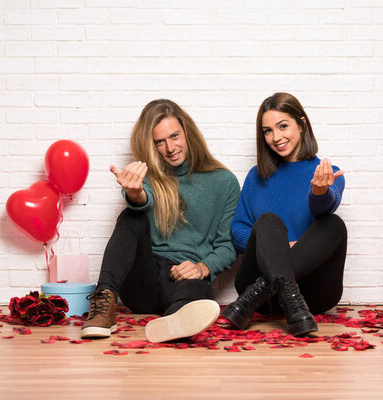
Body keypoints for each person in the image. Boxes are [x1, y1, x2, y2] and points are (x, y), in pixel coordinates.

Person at [82, 99, 240, 343]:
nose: (170, 147)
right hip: (143, 281)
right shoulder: (147, 176)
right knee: (131, 217)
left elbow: (227, 245)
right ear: (151, 145)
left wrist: (202, 267)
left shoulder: (224, 182)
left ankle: (173, 322)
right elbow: (140, 199)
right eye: (160, 142)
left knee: (200, 290)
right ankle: (104, 300)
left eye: (175, 136)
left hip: (182, 280)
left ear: (187, 132)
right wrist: (134, 193)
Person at [222, 92, 347, 337]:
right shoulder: (255, 177)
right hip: (262, 284)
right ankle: (285, 299)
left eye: (282, 126)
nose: (275, 137)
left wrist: (319, 190)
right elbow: (238, 230)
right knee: (268, 220)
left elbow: (324, 209)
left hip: (310, 292)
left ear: (301, 124)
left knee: (334, 224)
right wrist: (277, 247)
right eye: (267, 131)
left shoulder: (326, 172)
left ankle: (259, 292)